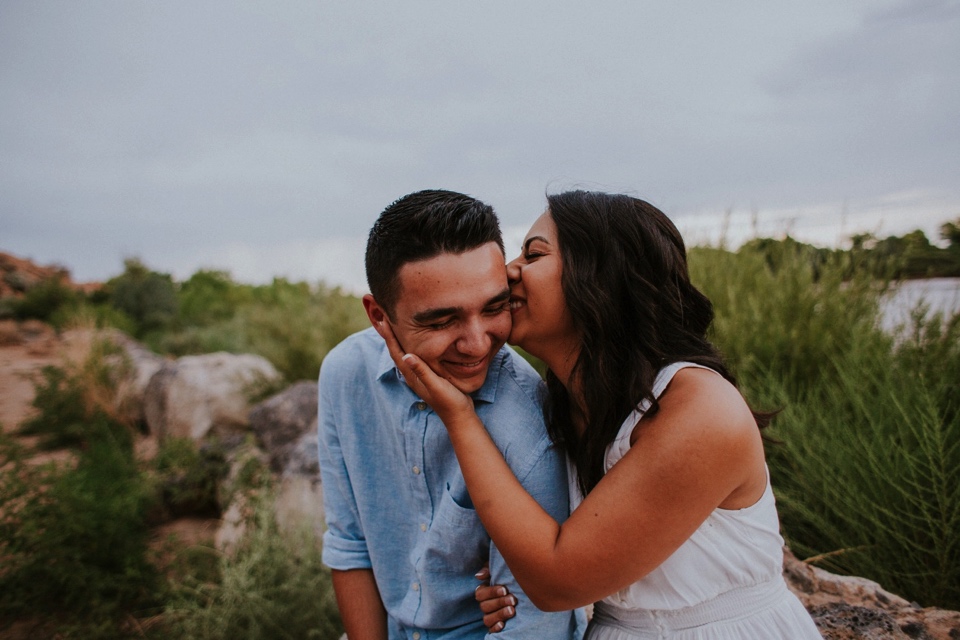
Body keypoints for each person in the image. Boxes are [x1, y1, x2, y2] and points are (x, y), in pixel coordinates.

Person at [385, 191, 823, 639]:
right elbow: (557, 560)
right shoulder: (567, 403)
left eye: (533, 253)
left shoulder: (700, 409)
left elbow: (558, 580)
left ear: (600, 275)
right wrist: (507, 582)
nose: (508, 270)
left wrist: (460, 418)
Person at [317, 189, 584, 640]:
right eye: (442, 322)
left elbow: (534, 624)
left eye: (494, 307)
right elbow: (350, 545)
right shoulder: (345, 375)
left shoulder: (530, 423)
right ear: (379, 316)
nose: (477, 343)